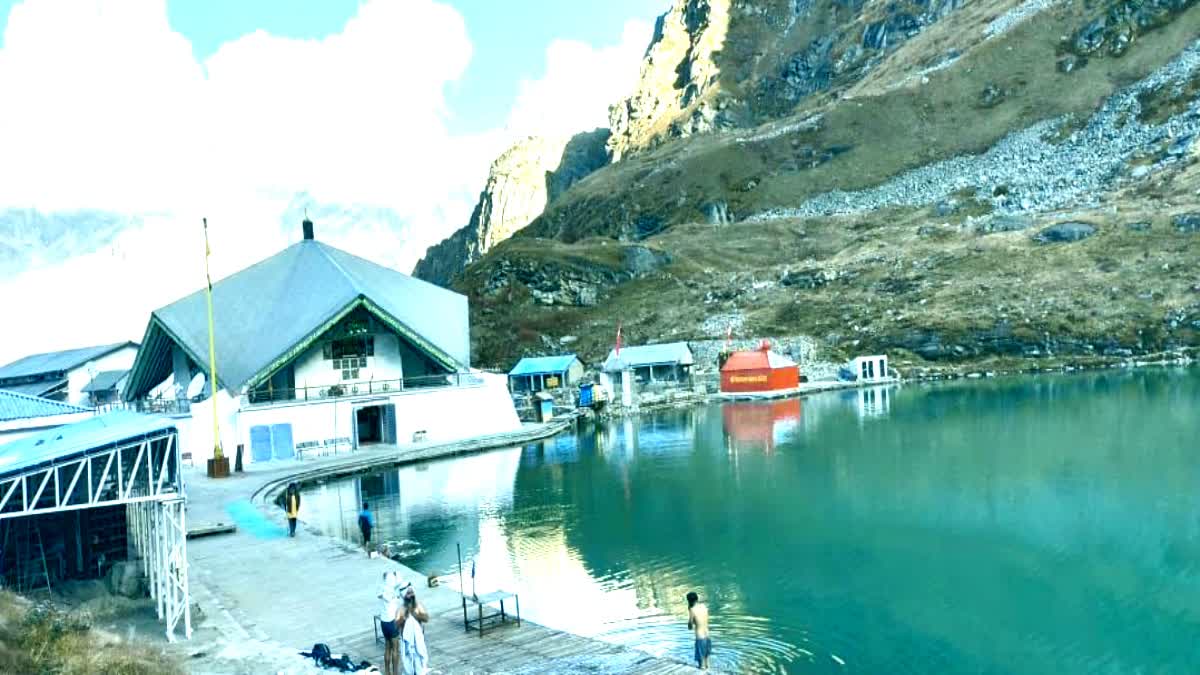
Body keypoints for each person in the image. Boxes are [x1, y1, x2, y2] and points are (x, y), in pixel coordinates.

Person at [379, 572, 405, 675]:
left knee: (387, 647)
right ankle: (395, 673)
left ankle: (387, 672)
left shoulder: (382, 589)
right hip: (392, 622)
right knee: (395, 649)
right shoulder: (392, 591)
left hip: (383, 622)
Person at [399, 587, 430, 675]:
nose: (411, 595)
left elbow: (426, 618)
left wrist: (414, 614)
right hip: (407, 642)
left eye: (412, 593)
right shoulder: (401, 609)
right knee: (408, 665)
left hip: (418, 640)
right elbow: (397, 625)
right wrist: (405, 617)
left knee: (419, 663)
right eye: (408, 593)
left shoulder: (418, 606)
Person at [687, 591, 711, 670]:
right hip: (707, 636)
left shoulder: (692, 610)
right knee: (707, 659)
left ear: (689, 601)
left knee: (702, 664)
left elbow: (690, 626)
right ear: (697, 599)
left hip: (700, 637)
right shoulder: (704, 606)